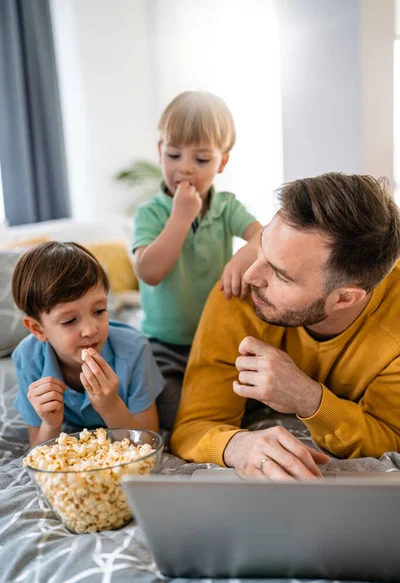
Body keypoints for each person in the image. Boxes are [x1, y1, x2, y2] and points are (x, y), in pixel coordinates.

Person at [170, 172, 400, 480]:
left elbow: (390, 437)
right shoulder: (238, 292)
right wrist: (238, 446)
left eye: (281, 275)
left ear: (345, 298)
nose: (251, 274)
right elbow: (192, 426)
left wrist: (309, 399)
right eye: (262, 245)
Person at [132, 90, 262, 431]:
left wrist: (245, 254)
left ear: (222, 162)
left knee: (246, 404)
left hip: (218, 340)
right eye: (174, 154)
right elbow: (149, 272)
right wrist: (180, 218)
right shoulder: (151, 212)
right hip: (165, 346)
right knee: (173, 416)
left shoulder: (227, 206)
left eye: (201, 160)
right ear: (161, 152)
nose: (185, 168)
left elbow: (265, 236)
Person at [11, 241, 163, 447]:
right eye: (70, 321)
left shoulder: (134, 349)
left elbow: (148, 445)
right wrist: (50, 424)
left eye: (99, 310)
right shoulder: (27, 359)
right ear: (38, 329)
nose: (91, 330)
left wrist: (110, 406)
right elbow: (38, 452)